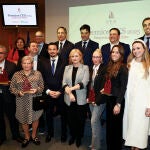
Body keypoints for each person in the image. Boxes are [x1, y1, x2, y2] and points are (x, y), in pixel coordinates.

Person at [10, 56, 44, 148]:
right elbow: (12, 88)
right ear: (21, 64)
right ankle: (27, 137)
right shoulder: (16, 74)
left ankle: (33, 135)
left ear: (32, 64)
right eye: (24, 63)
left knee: (35, 118)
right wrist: (18, 92)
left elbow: (42, 87)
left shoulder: (38, 74)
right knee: (23, 119)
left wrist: (37, 90)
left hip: (34, 100)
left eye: (28, 63)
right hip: (21, 101)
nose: (26, 65)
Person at [123, 39, 150, 150]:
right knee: (131, 130)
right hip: (130, 103)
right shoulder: (130, 64)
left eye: (138, 48)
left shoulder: (148, 66)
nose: (136, 51)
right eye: (134, 49)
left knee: (139, 132)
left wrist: (149, 106)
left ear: (144, 49)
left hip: (143, 104)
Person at [39, 42, 67, 143]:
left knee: (64, 115)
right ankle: (50, 133)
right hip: (48, 93)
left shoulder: (65, 62)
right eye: (50, 49)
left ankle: (64, 134)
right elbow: (41, 79)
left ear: (57, 50)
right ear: (47, 51)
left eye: (54, 49)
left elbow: (66, 79)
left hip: (61, 93)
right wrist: (48, 91)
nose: (52, 51)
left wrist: (60, 91)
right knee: (48, 115)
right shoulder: (43, 62)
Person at [102, 45, 128, 150]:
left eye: (117, 52)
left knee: (116, 128)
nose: (114, 54)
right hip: (110, 99)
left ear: (121, 55)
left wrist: (118, 104)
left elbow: (123, 87)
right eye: (113, 52)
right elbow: (112, 84)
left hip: (117, 101)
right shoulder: (110, 65)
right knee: (110, 127)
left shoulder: (123, 67)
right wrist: (105, 89)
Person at [62, 49, 89, 147]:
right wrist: (70, 94)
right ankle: (73, 136)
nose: (74, 58)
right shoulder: (67, 68)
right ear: (70, 58)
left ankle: (79, 137)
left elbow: (84, 83)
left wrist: (71, 89)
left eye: (76, 56)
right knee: (71, 119)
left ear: (81, 57)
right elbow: (64, 83)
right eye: (72, 56)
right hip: (69, 98)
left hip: (80, 98)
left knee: (80, 120)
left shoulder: (85, 68)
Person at [0, 45, 23, 146]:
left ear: (5, 54)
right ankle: (1, 137)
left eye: (1, 53)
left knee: (12, 117)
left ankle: (16, 135)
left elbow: (18, 81)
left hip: (8, 96)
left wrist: (9, 82)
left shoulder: (12, 66)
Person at [87, 49, 106, 150]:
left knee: (93, 121)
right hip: (91, 99)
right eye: (94, 57)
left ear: (101, 58)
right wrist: (88, 98)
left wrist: (96, 101)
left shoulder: (104, 69)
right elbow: (89, 85)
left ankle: (95, 146)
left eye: (97, 57)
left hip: (100, 100)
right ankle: (96, 141)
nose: (95, 59)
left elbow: (104, 87)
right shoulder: (91, 68)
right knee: (96, 121)